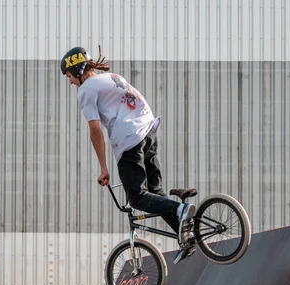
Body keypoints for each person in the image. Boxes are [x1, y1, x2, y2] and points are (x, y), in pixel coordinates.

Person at [60, 46, 196, 264]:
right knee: (156, 193)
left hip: (129, 139)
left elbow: (95, 130)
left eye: (69, 76)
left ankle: (181, 208)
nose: (70, 82)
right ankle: (188, 239)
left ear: (77, 70)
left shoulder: (86, 90)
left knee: (137, 197)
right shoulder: (113, 77)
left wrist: (103, 167)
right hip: (149, 131)